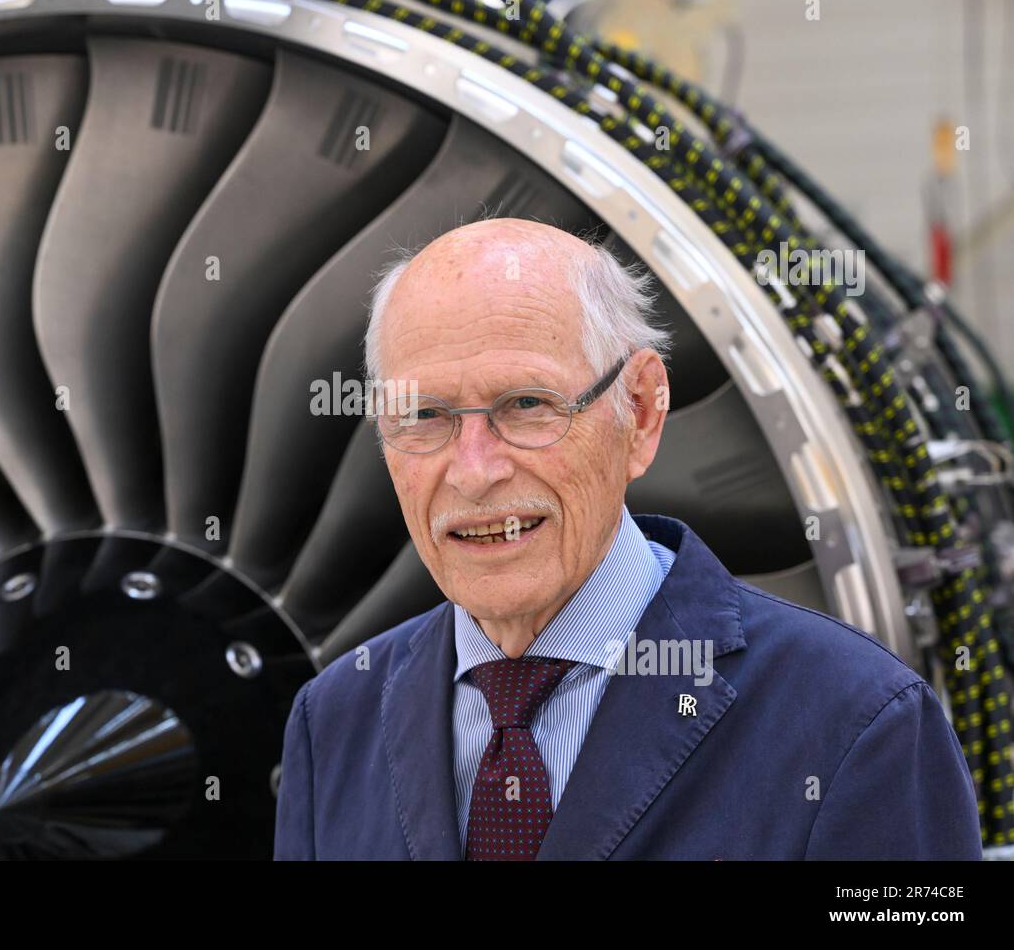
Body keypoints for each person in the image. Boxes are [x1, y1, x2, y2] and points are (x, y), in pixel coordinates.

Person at [273, 217, 982, 860]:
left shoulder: (857, 724)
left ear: (639, 412)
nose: (474, 472)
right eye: (424, 414)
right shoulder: (334, 722)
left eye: (526, 405)